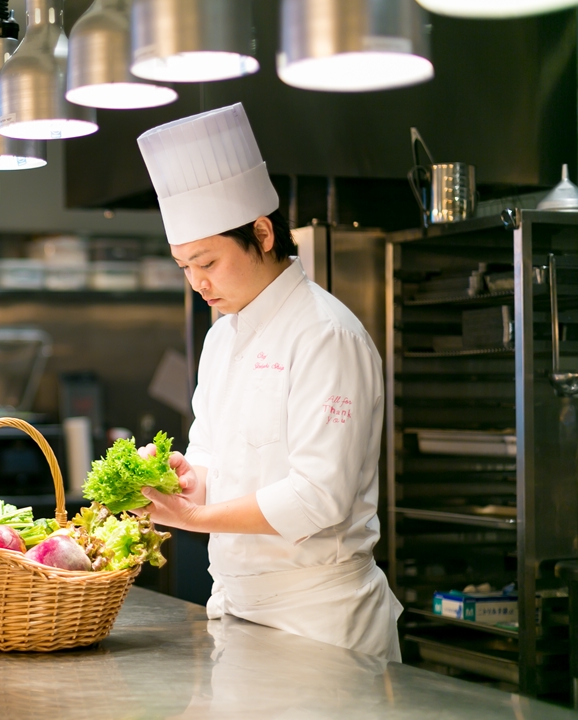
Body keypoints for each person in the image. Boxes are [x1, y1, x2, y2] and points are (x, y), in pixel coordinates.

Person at [133, 103, 402, 662]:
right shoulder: (221, 339)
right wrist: (185, 482)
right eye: (184, 265)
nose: (196, 282)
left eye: (206, 261)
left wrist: (196, 519)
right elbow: (215, 464)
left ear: (261, 232)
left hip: (320, 625)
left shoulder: (326, 333)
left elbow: (318, 496)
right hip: (236, 612)